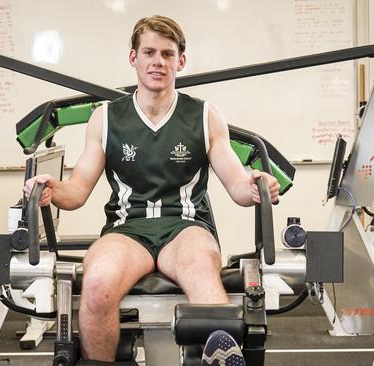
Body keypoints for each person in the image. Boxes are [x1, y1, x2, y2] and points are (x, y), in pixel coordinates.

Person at [24, 14, 279, 362]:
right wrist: (51, 188)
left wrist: (255, 184)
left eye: (167, 54)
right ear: (134, 58)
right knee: (97, 284)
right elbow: (77, 191)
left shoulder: (204, 116)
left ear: (181, 61)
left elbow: (237, 183)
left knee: (204, 274)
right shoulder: (106, 117)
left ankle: (219, 352)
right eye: (149, 53)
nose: (158, 62)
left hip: (185, 227)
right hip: (127, 230)